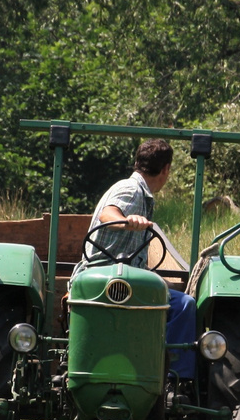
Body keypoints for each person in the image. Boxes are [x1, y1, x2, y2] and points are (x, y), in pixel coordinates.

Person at [82, 139, 197, 379]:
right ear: (166, 169)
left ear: (137, 162)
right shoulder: (132, 189)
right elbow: (108, 213)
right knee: (184, 306)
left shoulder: (137, 191)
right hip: (112, 282)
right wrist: (127, 221)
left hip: (109, 278)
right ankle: (176, 380)